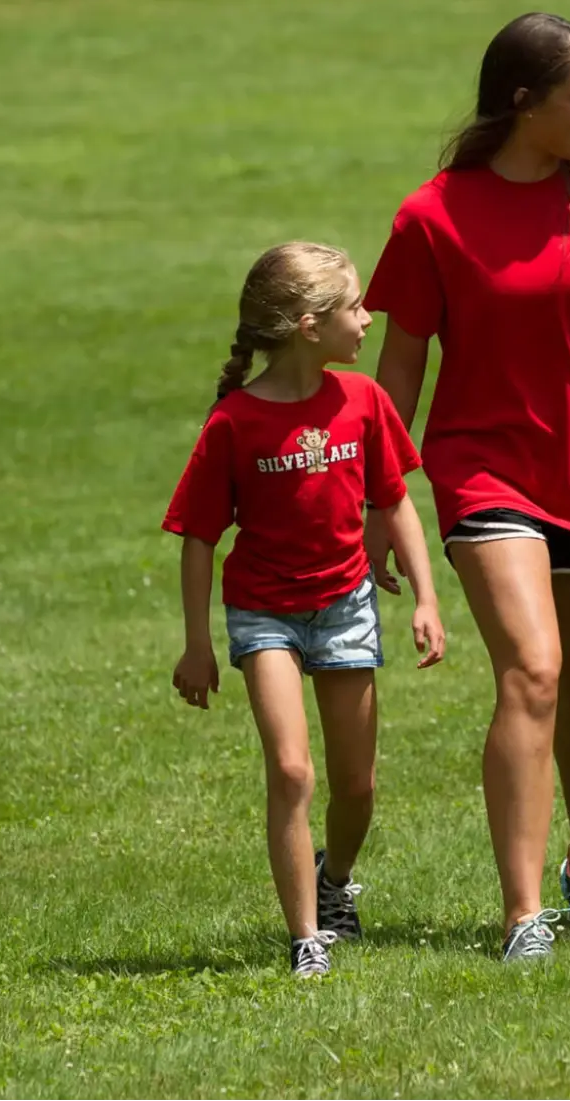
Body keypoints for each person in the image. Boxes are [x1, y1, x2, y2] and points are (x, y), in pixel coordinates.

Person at [364, 13, 570, 962]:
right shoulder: (432, 214)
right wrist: (376, 487)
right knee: (535, 670)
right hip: (483, 469)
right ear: (523, 103)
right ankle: (523, 917)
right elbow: (401, 360)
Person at [164, 242, 446, 978]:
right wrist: (196, 643)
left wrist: (426, 596)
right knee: (291, 770)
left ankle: (335, 878)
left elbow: (394, 501)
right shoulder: (234, 422)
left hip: (346, 604)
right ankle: (306, 938)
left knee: (357, 784)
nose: (368, 317)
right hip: (264, 613)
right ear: (306, 325)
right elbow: (198, 538)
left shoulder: (364, 401)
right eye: (354, 306)